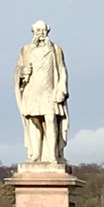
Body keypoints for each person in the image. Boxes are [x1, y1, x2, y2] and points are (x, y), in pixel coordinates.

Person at [14, 20, 68, 163]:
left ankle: (52, 155)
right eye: (38, 31)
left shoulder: (55, 49)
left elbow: (62, 69)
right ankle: (36, 155)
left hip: (50, 90)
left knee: (50, 119)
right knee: (34, 120)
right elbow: (18, 69)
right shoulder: (26, 50)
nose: (41, 34)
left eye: (43, 31)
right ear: (33, 32)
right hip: (32, 90)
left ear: (48, 31)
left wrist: (62, 87)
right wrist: (21, 72)